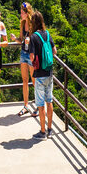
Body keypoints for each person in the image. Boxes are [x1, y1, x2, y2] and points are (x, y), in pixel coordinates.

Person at [29, 10, 58, 139]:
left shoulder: (33, 37)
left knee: (40, 104)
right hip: (49, 72)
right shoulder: (47, 34)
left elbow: (31, 57)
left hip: (39, 74)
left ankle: (42, 132)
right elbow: (54, 51)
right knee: (49, 100)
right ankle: (50, 129)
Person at [17, 2, 34, 116]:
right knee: (24, 80)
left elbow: (38, 39)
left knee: (34, 80)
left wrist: (30, 40)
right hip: (23, 53)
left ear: (27, 13)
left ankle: (38, 105)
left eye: (23, 13)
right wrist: (16, 39)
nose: (21, 14)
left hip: (31, 54)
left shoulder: (34, 24)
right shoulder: (22, 24)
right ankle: (26, 105)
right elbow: (21, 39)